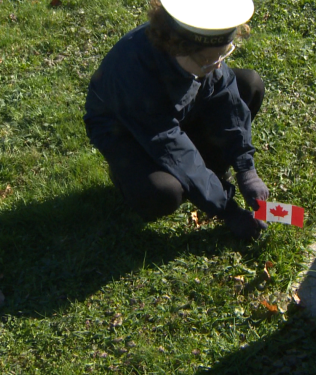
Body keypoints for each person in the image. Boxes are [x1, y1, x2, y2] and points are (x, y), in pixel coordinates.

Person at [83, 0, 270, 240]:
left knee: (249, 85)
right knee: (164, 192)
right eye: (207, 60)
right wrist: (229, 211)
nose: (216, 65)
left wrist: (246, 169)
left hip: (175, 110)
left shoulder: (201, 52)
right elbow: (170, 146)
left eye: (223, 55)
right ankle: (126, 178)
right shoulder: (134, 74)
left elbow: (227, 101)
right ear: (178, 48)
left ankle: (208, 175)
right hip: (128, 130)